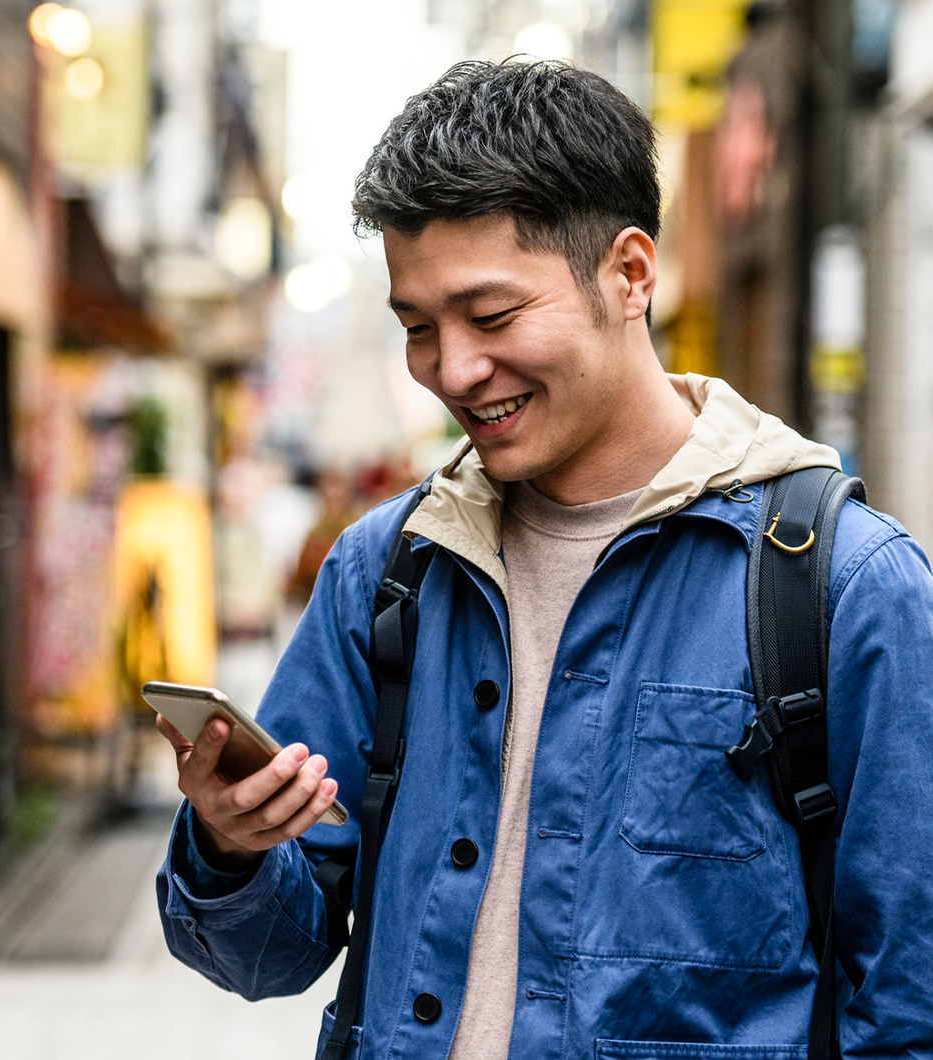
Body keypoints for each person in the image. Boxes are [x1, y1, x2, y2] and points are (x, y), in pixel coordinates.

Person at [155, 60, 933, 1060]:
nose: (453, 369)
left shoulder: (843, 589)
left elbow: (910, 1005)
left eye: (490, 317)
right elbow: (268, 959)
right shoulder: (387, 571)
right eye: (417, 328)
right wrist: (230, 843)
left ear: (631, 275)